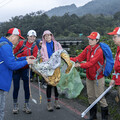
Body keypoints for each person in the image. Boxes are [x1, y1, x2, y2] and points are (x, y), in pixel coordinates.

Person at [70, 32, 108, 120]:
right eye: (89, 39)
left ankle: (105, 118)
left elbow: (91, 63)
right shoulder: (88, 48)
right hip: (89, 77)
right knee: (90, 96)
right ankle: (93, 116)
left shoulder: (99, 50)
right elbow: (79, 58)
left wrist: (79, 65)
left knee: (100, 97)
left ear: (97, 40)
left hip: (98, 78)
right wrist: (68, 59)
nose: (90, 40)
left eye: (92, 39)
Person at [0, 28, 34, 120]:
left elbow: (13, 59)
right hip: (1, 82)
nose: (18, 40)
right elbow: (12, 65)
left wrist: (26, 58)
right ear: (12, 36)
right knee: (0, 110)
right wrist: (27, 62)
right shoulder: (6, 46)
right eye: (18, 38)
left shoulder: (4, 44)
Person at [12, 30, 38, 114]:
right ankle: (15, 104)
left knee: (27, 87)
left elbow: (33, 58)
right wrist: (24, 57)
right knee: (16, 87)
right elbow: (14, 54)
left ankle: (26, 105)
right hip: (17, 67)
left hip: (26, 69)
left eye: (34, 37)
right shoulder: (21, 43)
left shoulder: (35, 47)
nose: (32, 38)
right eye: (31, 36)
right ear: (27, 36)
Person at [41, 30, 62, 111]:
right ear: (44, 37)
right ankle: (49, 104)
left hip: (56, 67)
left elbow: (62, 53)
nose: (47, 37)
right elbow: (43, 57)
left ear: (51, 35)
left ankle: (56, 102)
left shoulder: (57, 44)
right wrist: (48, 64)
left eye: (49, 35)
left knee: (56, 85)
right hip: (49, 68)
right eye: (45, 36)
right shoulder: (43, 46)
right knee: (49, 85)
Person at [109, 27, 120, 101]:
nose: (113, 39)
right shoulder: (118, 49)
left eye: (115, 37)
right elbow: (116, 67)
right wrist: (113, 79)